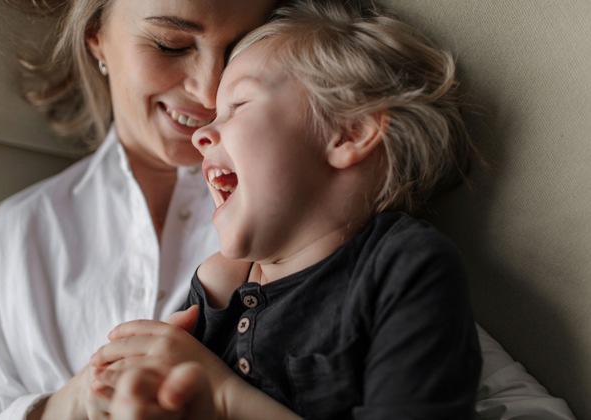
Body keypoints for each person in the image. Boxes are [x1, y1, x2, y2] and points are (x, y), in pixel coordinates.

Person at [91, 1, 485, 418]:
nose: (202, 134)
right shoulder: (219, 292)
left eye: (238, 106)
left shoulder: (404, 270)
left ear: (349, 132)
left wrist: (224, 397)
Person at [0, 0, 282, 418]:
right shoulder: (24, 227)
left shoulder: (295, 208)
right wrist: (71, 403)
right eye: (170, 45)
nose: (209, 90)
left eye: (239, 49)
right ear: (96, 36)